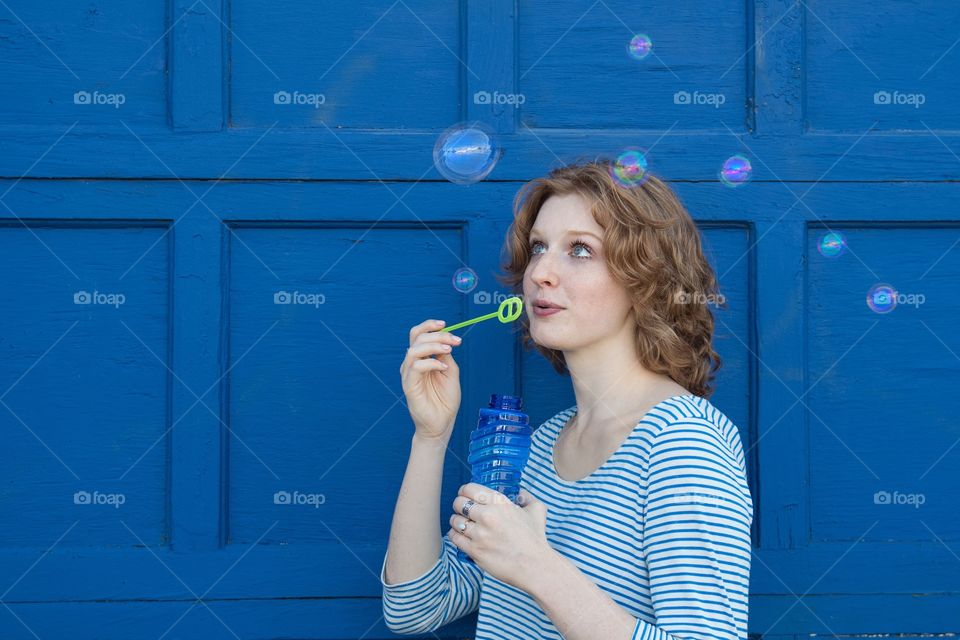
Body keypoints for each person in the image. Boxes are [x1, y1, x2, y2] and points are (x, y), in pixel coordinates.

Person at [380, 160, 753, 640]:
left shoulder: (683, 442)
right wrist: (431, 437)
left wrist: (536, 565)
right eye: (539, 247)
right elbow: (415, 608)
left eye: (580, 249)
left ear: (647, 278)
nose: (540, 273)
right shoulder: (540, 445)